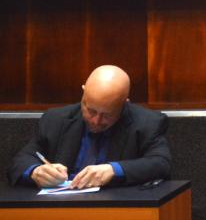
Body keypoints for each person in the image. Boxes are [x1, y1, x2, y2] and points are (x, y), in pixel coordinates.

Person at [7, 65, 171, 189]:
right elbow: (20, 161)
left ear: (124, 104)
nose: (96, 120)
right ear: (83, 93)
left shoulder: (147, 123)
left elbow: (161, 163)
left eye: (107, 114)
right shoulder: (55, 120)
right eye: (90, 110)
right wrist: (35, 171)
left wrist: (113, 170)